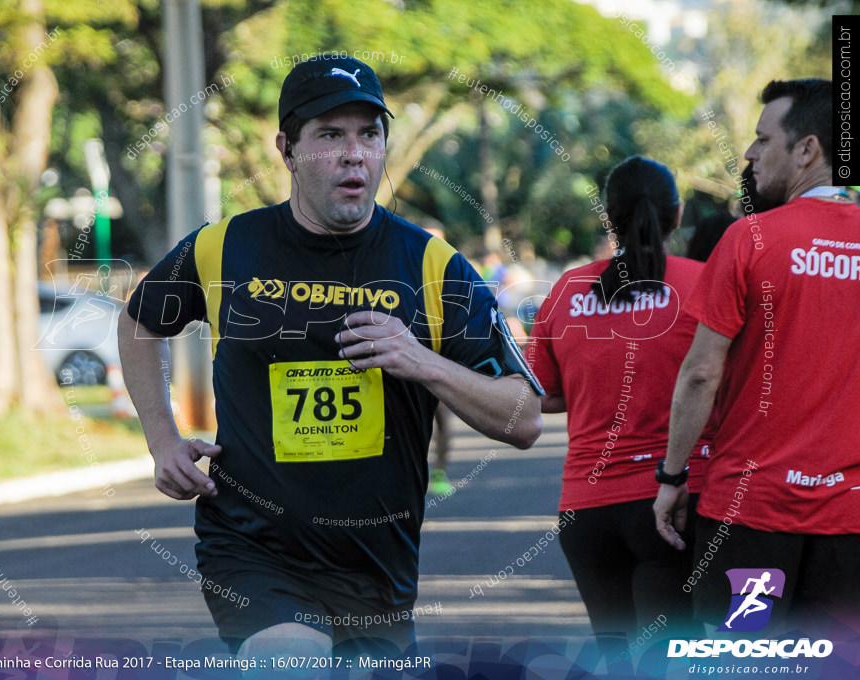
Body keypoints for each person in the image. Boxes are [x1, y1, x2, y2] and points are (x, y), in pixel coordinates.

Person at [119, 55, 543, 665]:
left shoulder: (433, 266)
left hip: (377, 565)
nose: (354, 154)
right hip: (251, 545)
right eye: (329, 135)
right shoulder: (224, 248)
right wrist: (162, 440)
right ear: (287, 150)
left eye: (369, 134)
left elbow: (523, 418)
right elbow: (138, 321)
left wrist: (419, 359)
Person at [653, 79, 860, 631]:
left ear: (807, 149)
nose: (748, 153)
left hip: (750, 513)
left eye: (761, 139)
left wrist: (671, 475)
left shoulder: (751, 238)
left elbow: (700, 373)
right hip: (850, 518)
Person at [528, 157, 710, 654]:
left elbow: (541, 393)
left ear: (610, 218)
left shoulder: (567, 291)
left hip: (585, 512)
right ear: (676, 214)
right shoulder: (705, 283)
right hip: (671, 503)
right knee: (666, 657)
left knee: (614, 657)